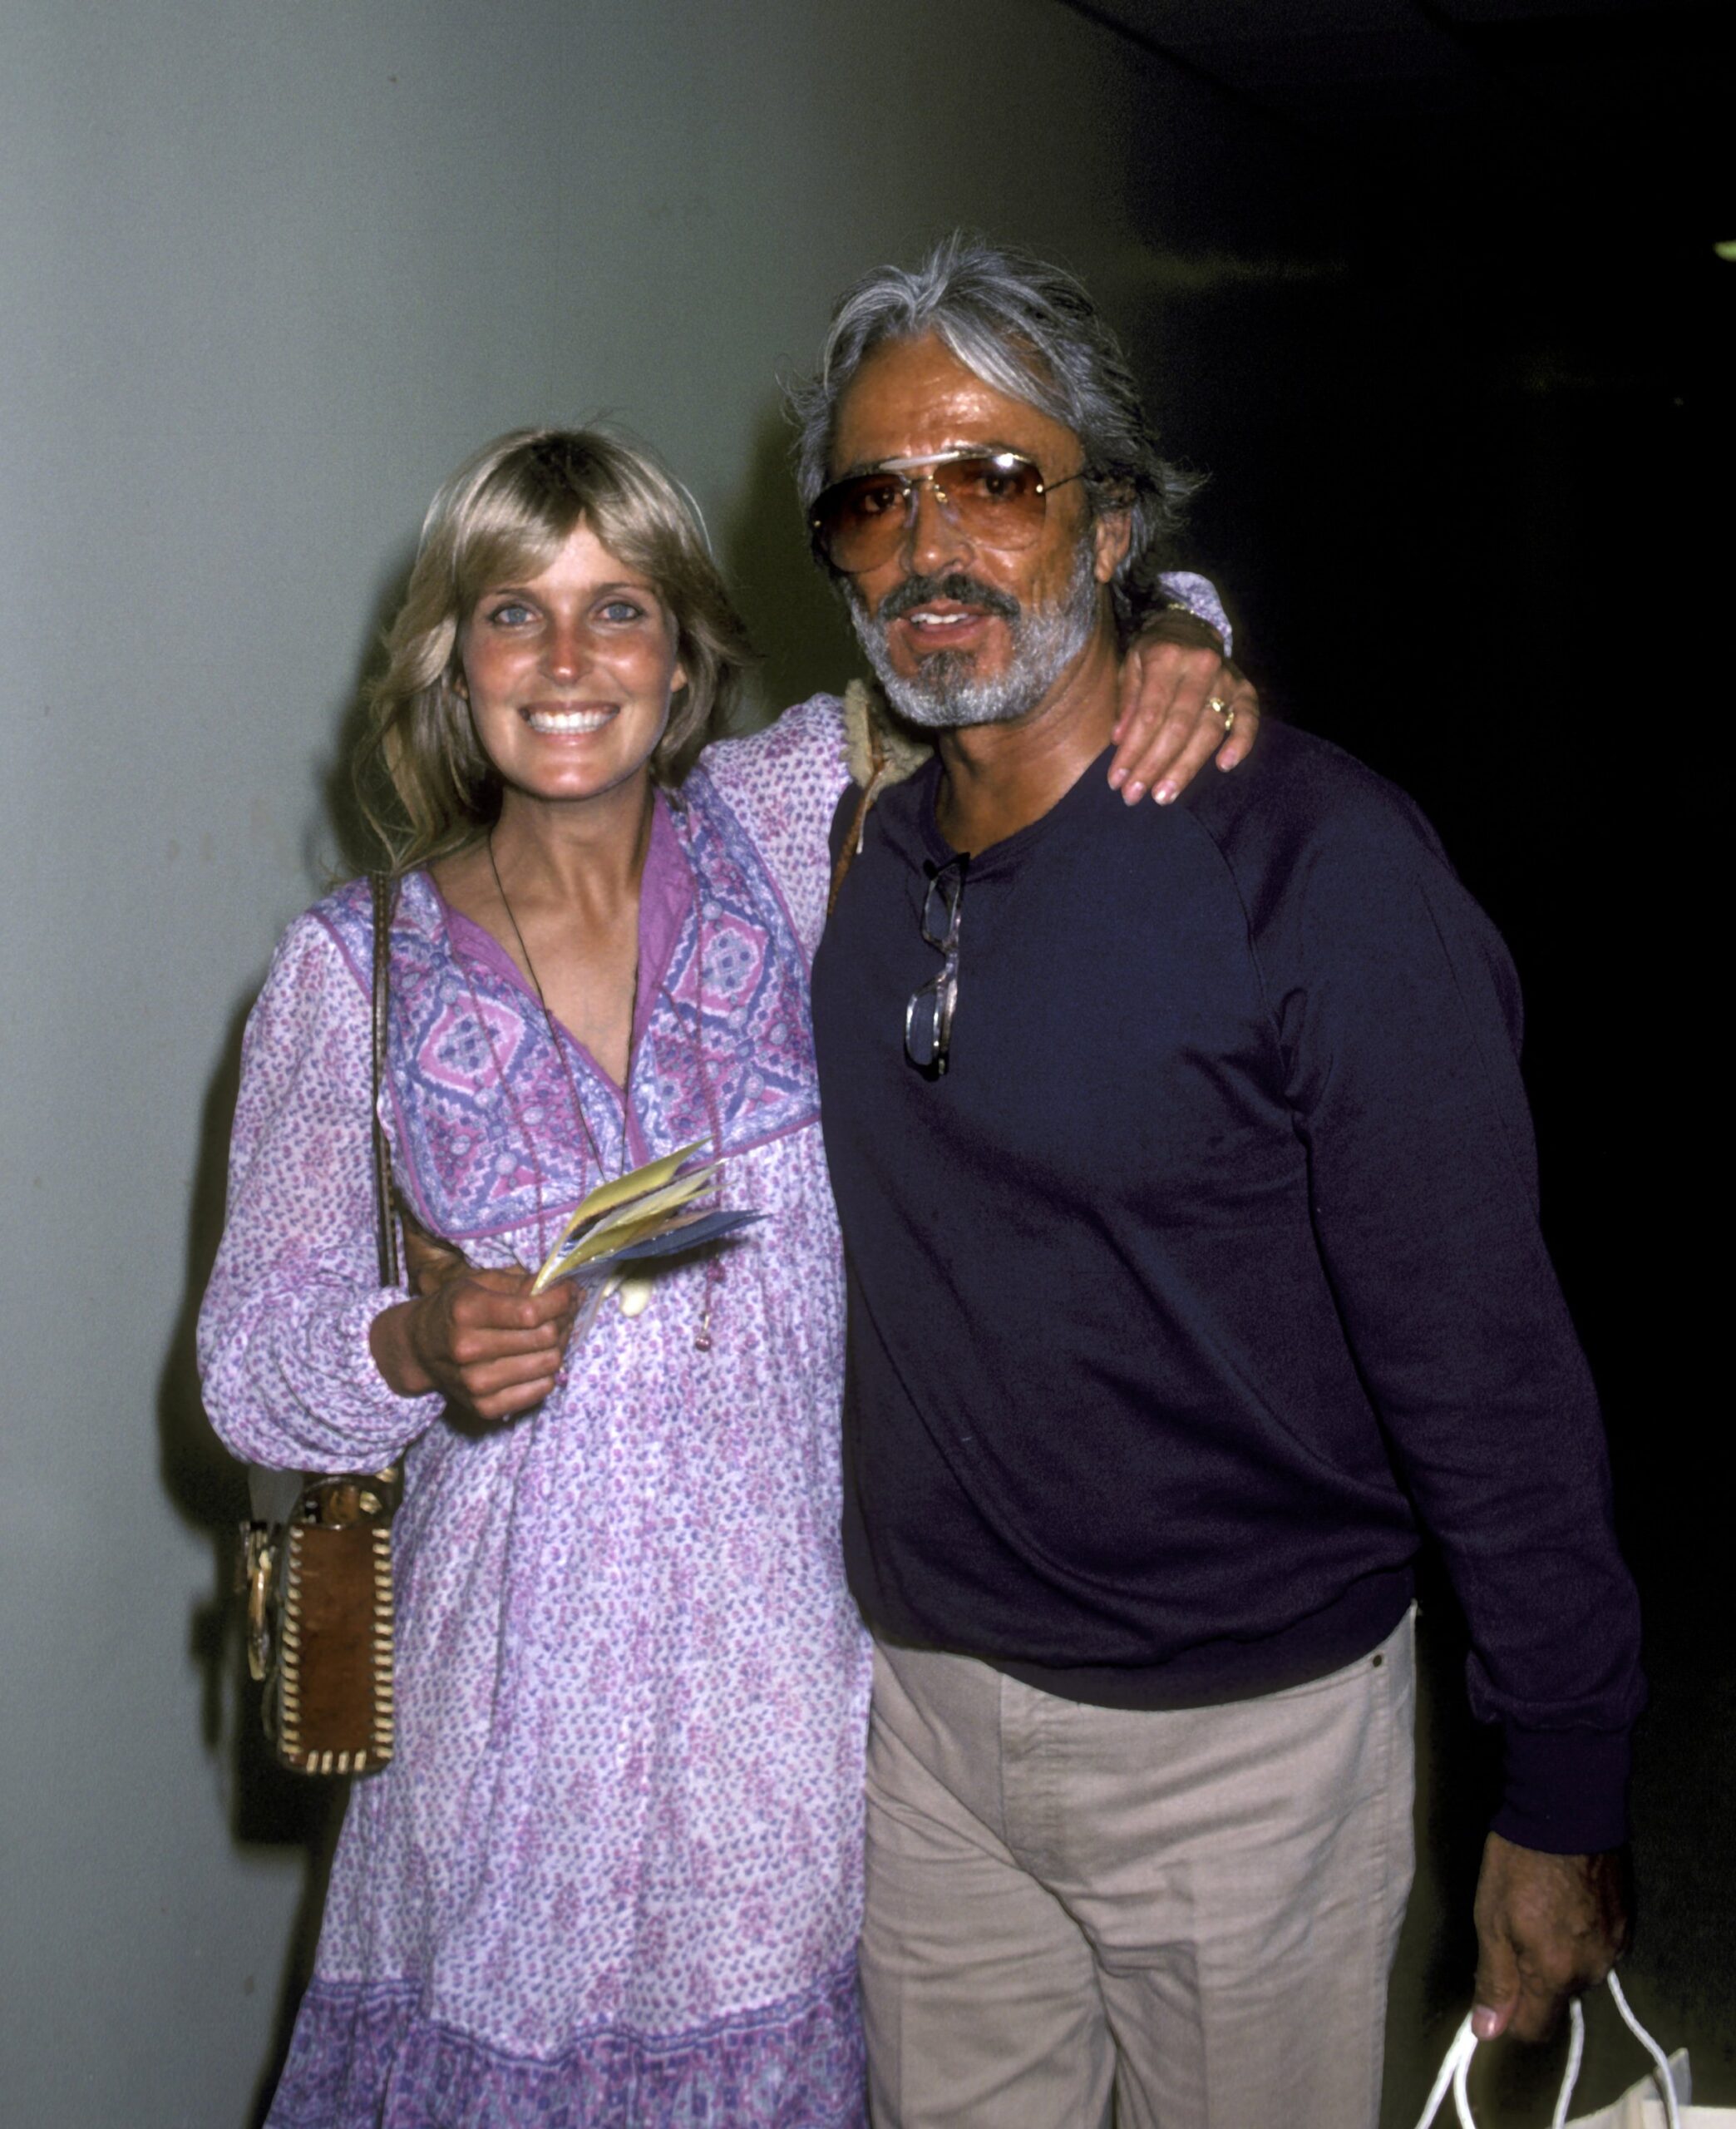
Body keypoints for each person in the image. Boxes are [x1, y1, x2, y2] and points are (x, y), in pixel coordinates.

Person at [197, 425, 1251, 2126]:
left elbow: (997, 649)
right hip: (501, 1785)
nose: (564, 662)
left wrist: (1184, 628)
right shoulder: (353, 971)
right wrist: (410, 1341)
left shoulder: (776, 827)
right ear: (449, 659)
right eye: (510, 613)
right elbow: (249, 1358)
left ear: (683, 653)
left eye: (617, 608)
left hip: (787, 1769)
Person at [801, 236, 1645, 2129]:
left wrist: (1565, 1775)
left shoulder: (1315, 869)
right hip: (927, 1730)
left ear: (1107, 529)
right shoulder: (842, 836)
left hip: (1240, 1745)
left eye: (999, 479)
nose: (934, 542)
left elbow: (1484, 1353)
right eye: (879, 496)